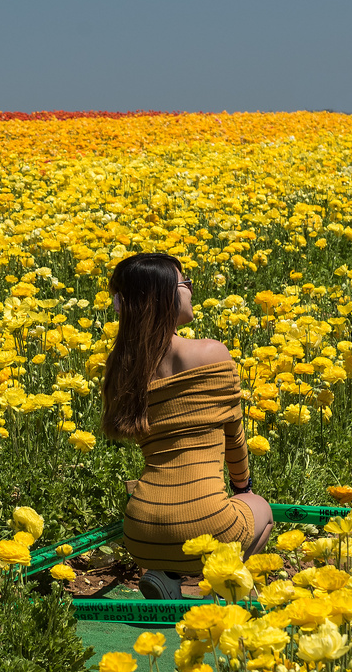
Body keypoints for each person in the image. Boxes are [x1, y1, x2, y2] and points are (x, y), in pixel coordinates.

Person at [101, 252, 273, 599]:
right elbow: (234, 439)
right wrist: (243, 488)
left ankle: (168, 577)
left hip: (141, 531)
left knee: (182, 531)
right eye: (185, 282)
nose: (191, 289)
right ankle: (223, 588)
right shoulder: (211, 354)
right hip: (208, 522)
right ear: (163, 294)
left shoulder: (123, 367)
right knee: (262, 510)